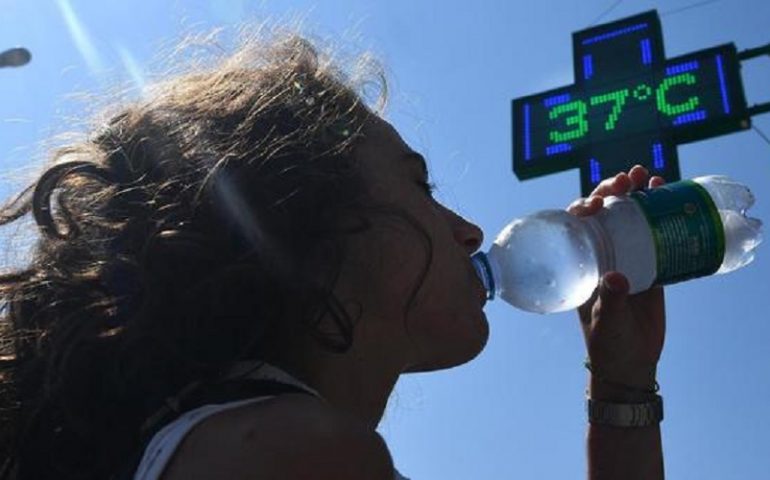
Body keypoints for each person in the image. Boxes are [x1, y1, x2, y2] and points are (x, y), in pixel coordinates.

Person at [0, 31, 666, 480]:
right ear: (311, 221)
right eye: (418, 184)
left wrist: (623, 380)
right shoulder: (297, 453)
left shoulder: (220, 438)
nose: (468, 231)